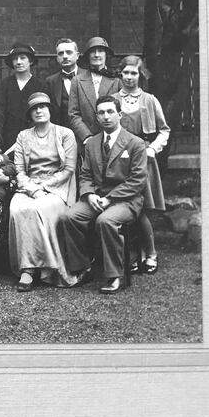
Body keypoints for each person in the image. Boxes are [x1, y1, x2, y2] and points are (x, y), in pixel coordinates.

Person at [58, 95, 148, 294]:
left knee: (105, 221)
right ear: (97, 117)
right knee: (69, 217)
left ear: (119, 114)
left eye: (110, 112)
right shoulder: (92, 143)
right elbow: (86, 174)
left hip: (126, 200)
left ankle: (114, 275)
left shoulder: (135, 143)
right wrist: (89, 195)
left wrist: (110, 198)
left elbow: (137, 181)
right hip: (97, 197)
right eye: (101, 113)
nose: (106, 116)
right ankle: (83, 267)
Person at [8, 92, 79, 292]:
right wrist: (31, 187)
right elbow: (19, 170)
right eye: (34, 109)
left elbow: (68, 169)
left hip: (58, 186)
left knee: (39, 209)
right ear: (29, 115)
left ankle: (45, 269)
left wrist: (44, 187)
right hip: (29, 185)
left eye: (43, 107)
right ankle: (27, 267)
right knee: (17, 208)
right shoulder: (23, 136)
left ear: (50, 110)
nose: (39, 111)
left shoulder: (65, 134)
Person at [117, 55, 170, 274]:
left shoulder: (149, 100)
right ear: (120, 74)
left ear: (141, 75)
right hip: (119, 160)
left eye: (133, 73)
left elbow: (164, 130)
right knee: (124, 207)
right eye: (126, 73)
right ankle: (132, 255)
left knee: (141, 210)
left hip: (143, 159)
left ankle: (150, 253)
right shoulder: (112, 99)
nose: (129, 77)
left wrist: (152, 149)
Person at [68, 36, 122, 150]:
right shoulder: (77, 81)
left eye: (100, 51)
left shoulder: (116, 80)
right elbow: (73, 114)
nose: (97, 55)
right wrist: (87, 137)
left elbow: (122, 112)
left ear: (106, 54)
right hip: (87, 142)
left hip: (114, 140)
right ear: (88, 56)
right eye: (93, 52)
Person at [0, 42, 46, 152]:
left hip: (34, 138)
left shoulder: (40, 85)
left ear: (30, 61)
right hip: (8, 137)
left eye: (22, 58)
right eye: (15, 59)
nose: (19, 62)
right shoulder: (4, 84)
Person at [44, 38, 80, 128]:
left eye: (69, 52)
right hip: (61, 131)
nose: (65, 56)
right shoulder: (50, 81)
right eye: (61, 53)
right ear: (57, 58)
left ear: (77, 55)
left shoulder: (88, 76)